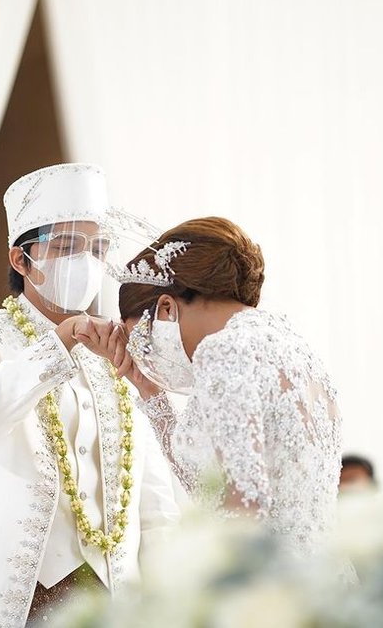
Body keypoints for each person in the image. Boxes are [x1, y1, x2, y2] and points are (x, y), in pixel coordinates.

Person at [0, 163, 179, 628]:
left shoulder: (116, 349)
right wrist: (59, 340)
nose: (85, 261)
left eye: (97, 248)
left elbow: (153, 499)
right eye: (65, 247)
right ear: (21, 260)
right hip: (4, 598)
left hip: (110, 604)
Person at [78, 216, 342, 557]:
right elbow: (215, 489)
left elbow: (241, 511)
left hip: (271, 587)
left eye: (140, 343)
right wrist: (145, 387)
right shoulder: (292, 344)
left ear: (166, 308)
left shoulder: (222, 351)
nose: (143, 359)